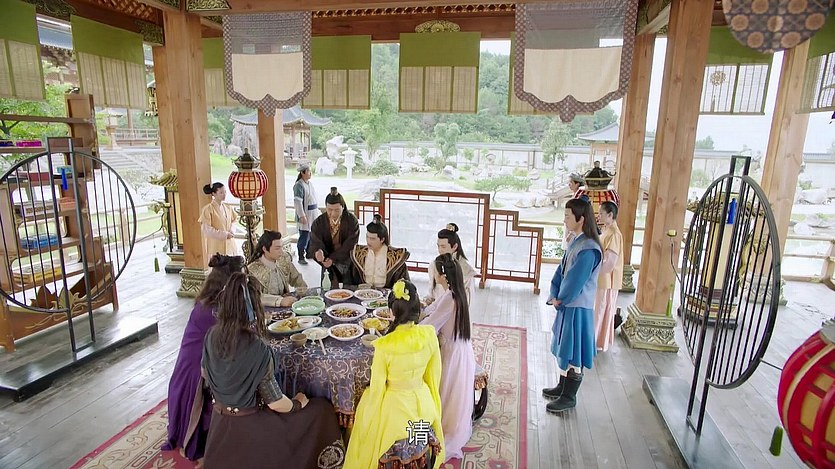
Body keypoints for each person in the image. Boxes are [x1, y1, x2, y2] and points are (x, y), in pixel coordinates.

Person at [202, 272, 345, 469]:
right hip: (252, 429)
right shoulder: (257, 347)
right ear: (253, 307)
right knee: (321, 410)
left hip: (219, 424)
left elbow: (204, 374)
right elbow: (276, 403)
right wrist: (297, 403)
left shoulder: (211, 335)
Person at [344, 279, 444, 468]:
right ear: (417, 309)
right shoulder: (429, 335)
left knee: (364, 416)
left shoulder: (384, 346)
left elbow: (377, 389)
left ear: (392, 312)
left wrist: (367, 418)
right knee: (417, 432)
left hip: (395, 413)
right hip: (423, 406)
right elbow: (434, 376)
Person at [163, 254, 245, 462]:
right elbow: (233, 338)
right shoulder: (213, 310)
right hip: (197, 369)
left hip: (198, 361)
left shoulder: (211, 302)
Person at [543, 198, 602, 414]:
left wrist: (561, 298)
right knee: (564, 346)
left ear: (581, 219)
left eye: (568, 216)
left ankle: (569, 396)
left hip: (577, 307)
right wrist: (554, 294)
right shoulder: (576, 242)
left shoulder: (589, 249)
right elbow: (560, 272)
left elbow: (575, 281)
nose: (565, 220)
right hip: (567, 305)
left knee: (573, 350)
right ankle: (562, 386)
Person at [421, 253, 476, 461]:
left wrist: (408, 328)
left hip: (451, 353)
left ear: (442, 275)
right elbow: (432, 309)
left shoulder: (450, 298)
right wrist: (420, 308)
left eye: (435, 271)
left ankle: (440, 432)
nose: (433, 274)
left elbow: (430, 325)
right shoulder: (453, 293)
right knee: (448, 394)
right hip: (459, 349)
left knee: (444, 393)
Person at [308, 187, 360, 286]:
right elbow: (315, 241)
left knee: (348, 289)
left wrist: (333, 259)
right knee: (328, 289)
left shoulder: (351, 221)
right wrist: (318, 251)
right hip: (327, 261)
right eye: (330, 209)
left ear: (343, 207)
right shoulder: (319, 222)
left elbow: (350, 244)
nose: (333, 213)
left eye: (337, 210)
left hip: (346, 261)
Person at [247, 230, 306, 307]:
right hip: (264, 309)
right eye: (277, 248)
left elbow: (296, 278)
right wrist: (279, 301)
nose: (281, 252)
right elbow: (254, 296)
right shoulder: (253, 269)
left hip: (286, 305)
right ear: (265, 249)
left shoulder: (283, 259)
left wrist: (302, 290)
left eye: (281, 247)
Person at [593, 201, 623, 352]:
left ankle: (596, 341)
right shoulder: (607, 230)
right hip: (602, 276)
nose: (599, 216)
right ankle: (594, 339)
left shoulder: (614, 234)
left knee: (601, 309)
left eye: (601, 213)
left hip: (606, 277)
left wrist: (595, 271)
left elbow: (610, 260)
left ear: (610, 215)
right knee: (598, 309)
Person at [350, 214, 410, 289]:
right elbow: (350, 280)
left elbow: (405, 285)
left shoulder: (395, 257)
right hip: (363, 292)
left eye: (372, 239)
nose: (368, 241)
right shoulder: (359, 254)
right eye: (367, 237)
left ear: (382, 239)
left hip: (387, 294)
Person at [424, 223, 476, 304]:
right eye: (438, 246)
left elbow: (465, 302)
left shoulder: (466, 271)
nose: (440, 250)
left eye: (443, 247)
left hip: (455, 310)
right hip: (436, 308)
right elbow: (431, 295)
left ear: (454, 247)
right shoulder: (434, 265)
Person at [199, 182, 238, 258]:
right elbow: (207, 229)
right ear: (214, 194)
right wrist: (224, 235)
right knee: (217, 264)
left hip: (229, 244)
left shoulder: (228, 207)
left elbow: (234, 220)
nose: (224, 194)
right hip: (215, 246)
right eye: (221, 192)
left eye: (225, 192)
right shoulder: (207, 209)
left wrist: (232, 230)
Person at [293, 163, 318, 265]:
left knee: (311, 235)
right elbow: (298, 202)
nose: (310, 173)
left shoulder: (309, 184)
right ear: (303, 173)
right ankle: (301, 256)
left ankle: (309, 252)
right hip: (305, 214)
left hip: (312, 214)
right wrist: (302, 215)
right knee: (304, 236)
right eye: (308, 171)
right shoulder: (299, 185)